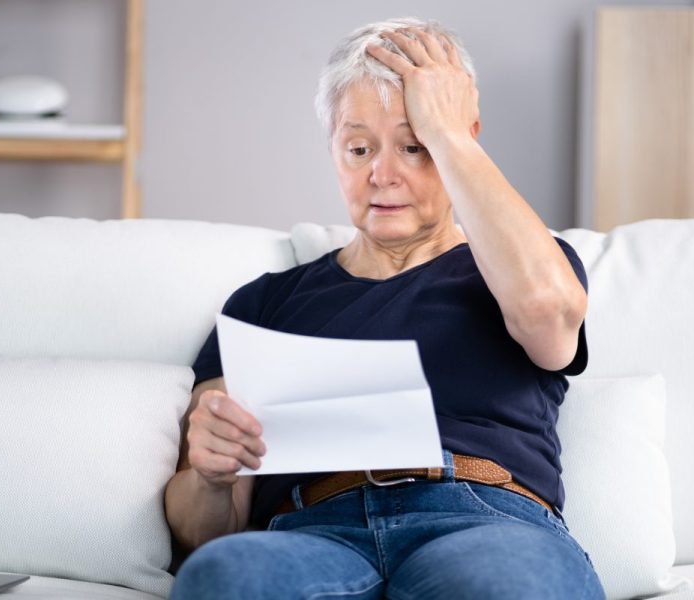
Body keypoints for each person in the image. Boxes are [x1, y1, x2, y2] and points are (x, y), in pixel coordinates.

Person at [166, 17, 605, 600]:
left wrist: (448, 133)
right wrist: (211, 478)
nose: (382, 174)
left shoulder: (519, 265)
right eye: (359, 148)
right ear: (333, 151)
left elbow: (550, 318)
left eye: (414, 146)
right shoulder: (263, 305)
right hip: (313, 531)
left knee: (504, 587)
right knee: (223, 576)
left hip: (484, 519)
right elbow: (204, 534)